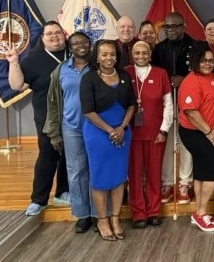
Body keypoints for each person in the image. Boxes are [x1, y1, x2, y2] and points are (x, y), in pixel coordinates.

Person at [7, 21, 70, 216]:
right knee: (48, 155)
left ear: (64, 34)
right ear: (42, 38)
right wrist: (13, 62)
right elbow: (18, 85)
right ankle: (39, 200)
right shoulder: (33, 60)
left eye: (57, 33)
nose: (54, 36)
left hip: (73, 115)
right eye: (49, 34)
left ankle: (63, 192)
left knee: (70, 154)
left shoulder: (75, 54)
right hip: (46, 117)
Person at [80, 39, 137, 240]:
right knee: (101, 178)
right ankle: (102, 220)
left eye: (112, 54)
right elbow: (87, 111)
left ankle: (115, 218)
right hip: (98, 134)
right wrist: (110, 130)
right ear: (96, 56)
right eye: (104, 54)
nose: (109, 58)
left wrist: (122, 127)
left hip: (122, 132)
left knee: (119, 177)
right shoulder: (88, 78)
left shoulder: (124, 75)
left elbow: (131, 105)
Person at [43, 32, 94, 232]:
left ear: (90, 44)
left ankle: (99, 214)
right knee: (76, 171)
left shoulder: (98, 66)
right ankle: (83, 214)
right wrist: (54, 133)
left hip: (96, 127)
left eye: (84, 42)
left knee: (95, 170)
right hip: (71, 128)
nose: (80, 45)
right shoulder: (61, 70)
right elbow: (53, 103)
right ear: (69, 47)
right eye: (75, 43)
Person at [124, 41, 173, 228]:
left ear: (150, 54)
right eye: (137, 53)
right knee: (134, 175)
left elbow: (168, 105)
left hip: (155, 134)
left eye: (145, 53)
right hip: (132, 134)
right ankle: (138, 213)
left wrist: (163, 130)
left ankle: (153, 210)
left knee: (154, 173)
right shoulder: (126, 73)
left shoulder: (161, 74)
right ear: (132, 55)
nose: (141, 56)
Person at [177, 43, 214, 232]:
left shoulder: (212, 78)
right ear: (195, 61)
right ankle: (201, 213)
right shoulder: (191, 81)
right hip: (197, 132)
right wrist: (208, 132)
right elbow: (190, 112)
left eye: (210, 61)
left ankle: (199, 212)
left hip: (208, 132)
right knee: (213, 172)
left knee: (202, 172)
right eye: (203, 61)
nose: (207, 64)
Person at [152, 12, 196, 204]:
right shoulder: (159, 48)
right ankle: (167, 182)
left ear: (183, 26)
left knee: (186, 142)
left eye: (174, 26)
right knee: (168, 143)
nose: (170, 30)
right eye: (166, 27)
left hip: (188, 102)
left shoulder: (194, 46)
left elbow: (201, 72)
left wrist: (183, 80)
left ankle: (185, 182)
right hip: (166, 103)